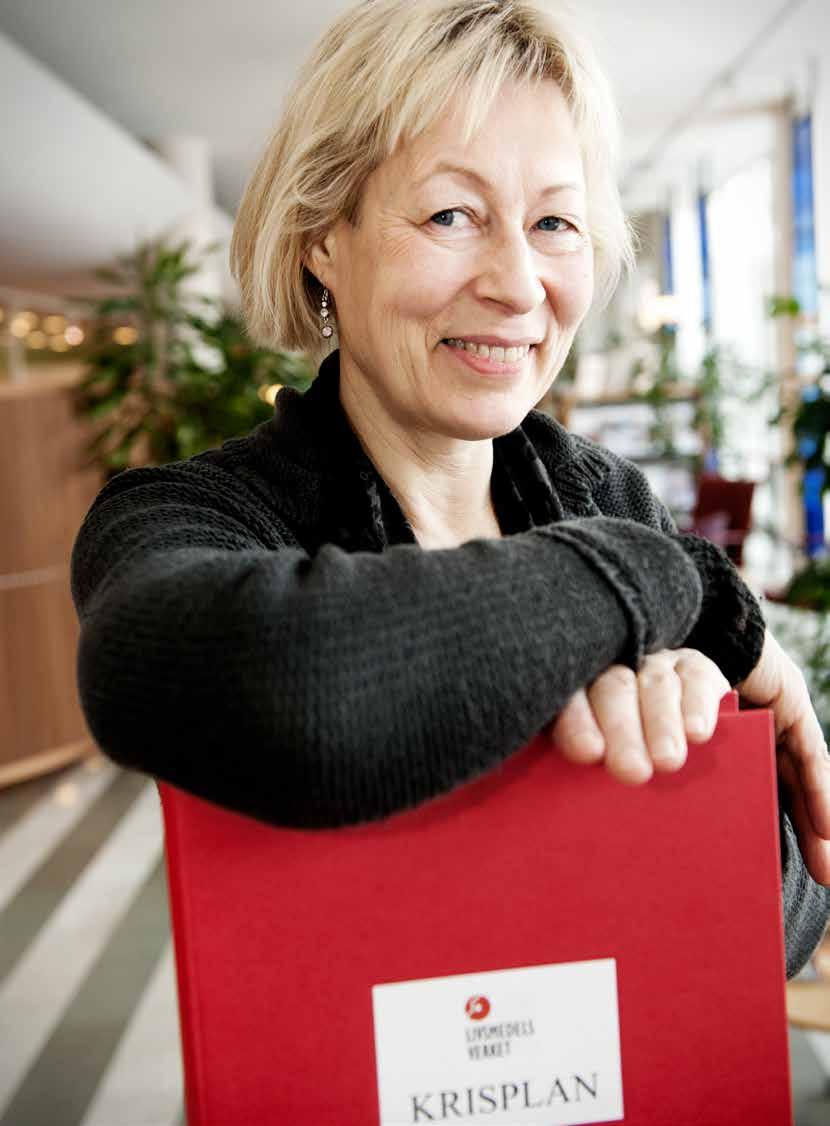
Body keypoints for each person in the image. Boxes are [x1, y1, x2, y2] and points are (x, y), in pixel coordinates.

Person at [70, 0, 830, 977]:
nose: (517, 283)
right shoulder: (193, 515)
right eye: (450, 215)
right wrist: (671, 582)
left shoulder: (606, 497)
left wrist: (686, 785)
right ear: (319, 237)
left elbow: (782, 915)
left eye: (554, 220)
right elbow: (291, 689)